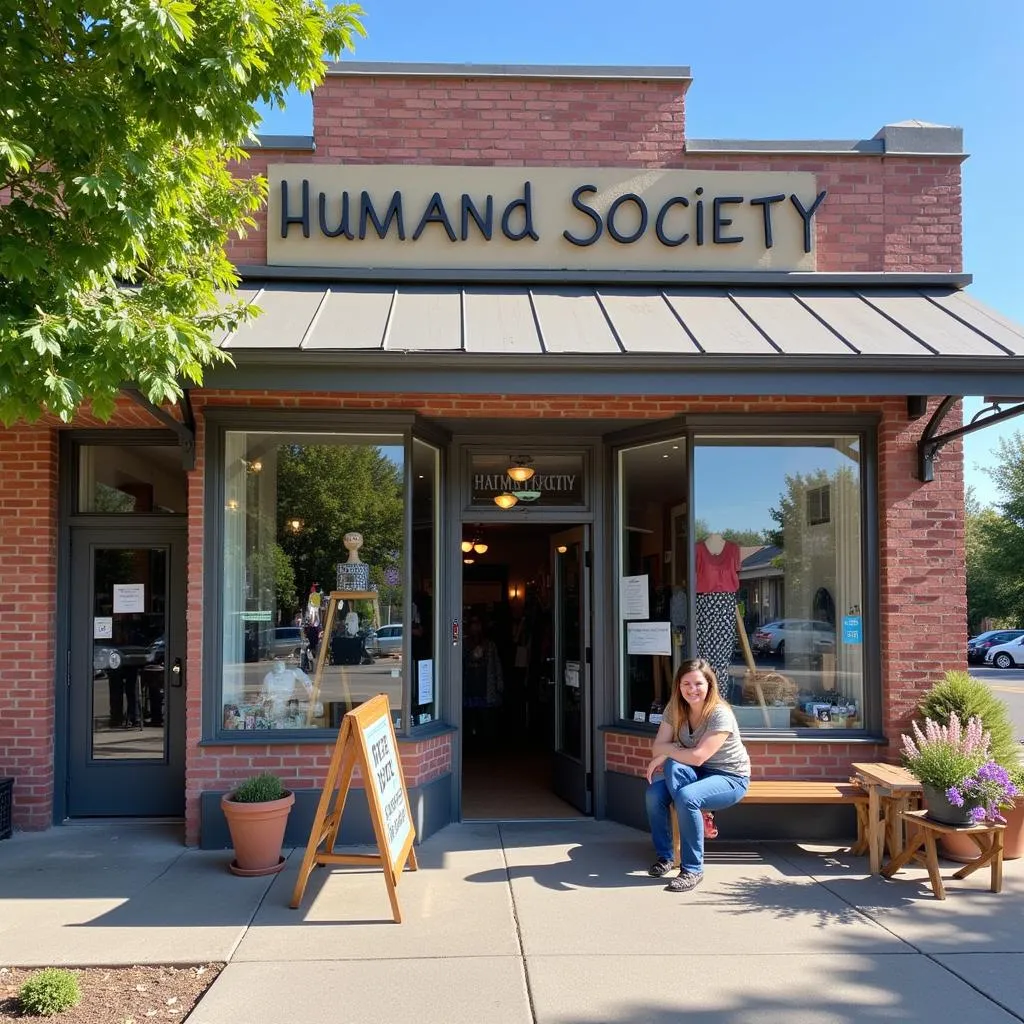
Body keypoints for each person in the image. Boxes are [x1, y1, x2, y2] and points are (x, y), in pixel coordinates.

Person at [644, 657, 750, 893]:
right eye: (686, 684)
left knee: (687, 797)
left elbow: (699, 756)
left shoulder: (719, 714)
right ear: (678, 687)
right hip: (693, 772)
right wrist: (666, 755)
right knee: (654, 794)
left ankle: (692, 869)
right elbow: (657, 747)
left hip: (729, 777)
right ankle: (666, 856)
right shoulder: (675, 708)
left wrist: (668, 753)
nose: (692, 690)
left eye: (698, 684)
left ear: (709, 685)